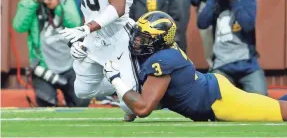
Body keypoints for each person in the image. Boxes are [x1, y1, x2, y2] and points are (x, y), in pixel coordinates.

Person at [104, 11, 287, 122]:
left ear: (159, 40)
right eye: (136, 35)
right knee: (269, 105)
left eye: (143, 38)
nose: (136, 41)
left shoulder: (161, 59)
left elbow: (143, 109)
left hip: (218, 101)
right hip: (212, 89)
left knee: (281, 112)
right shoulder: (160, 53)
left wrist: (115, 79)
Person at [13, 0, 89, 107]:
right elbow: (19, 26)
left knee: (81, 101)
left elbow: (74, 23)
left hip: (70, 65)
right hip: (44, 67)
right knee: (46, 104)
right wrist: (33, 1)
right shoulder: (30, 4)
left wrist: (57, 6)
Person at [197, 0, 267, 95]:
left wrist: (234, 0)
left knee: (262, 99)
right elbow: (202, 24)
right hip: (221, 65)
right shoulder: (216, 2)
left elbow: (248, 25)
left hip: (247, 65)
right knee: (213, 99)